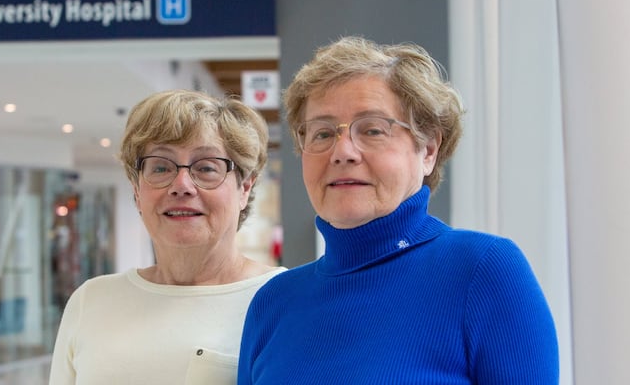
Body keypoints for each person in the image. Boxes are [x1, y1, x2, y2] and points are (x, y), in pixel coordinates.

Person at [238, 36, 559, 384]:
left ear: (428, 150)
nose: (342, 151)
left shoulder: (483, 272)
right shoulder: (273, 304)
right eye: (322, 133)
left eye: (373, 130)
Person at [49, 89, 285, 384]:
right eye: (161, 167)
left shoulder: (281, 299)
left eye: (206, 168)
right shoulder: (91, 302)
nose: (182, 185)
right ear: (137, 191)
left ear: (245, 188)